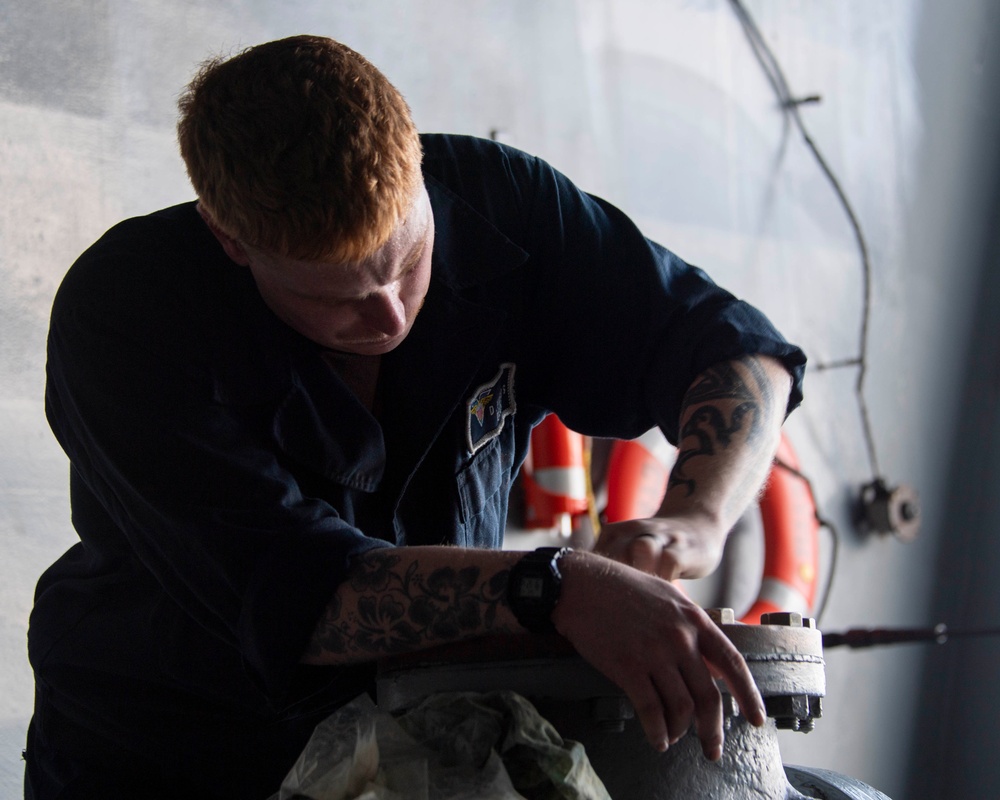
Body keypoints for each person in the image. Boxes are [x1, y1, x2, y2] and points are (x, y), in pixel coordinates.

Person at [24, 34, 806, 800]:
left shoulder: (505, 203)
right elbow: (304, 593)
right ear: (231, 241)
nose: (390, 313)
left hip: (422, 743)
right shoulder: (126, 313)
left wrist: (695, 520)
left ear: (420, 169)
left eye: (408, 263)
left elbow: (736, 353)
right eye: (334, 299)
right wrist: (559, 588)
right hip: (164, 751)